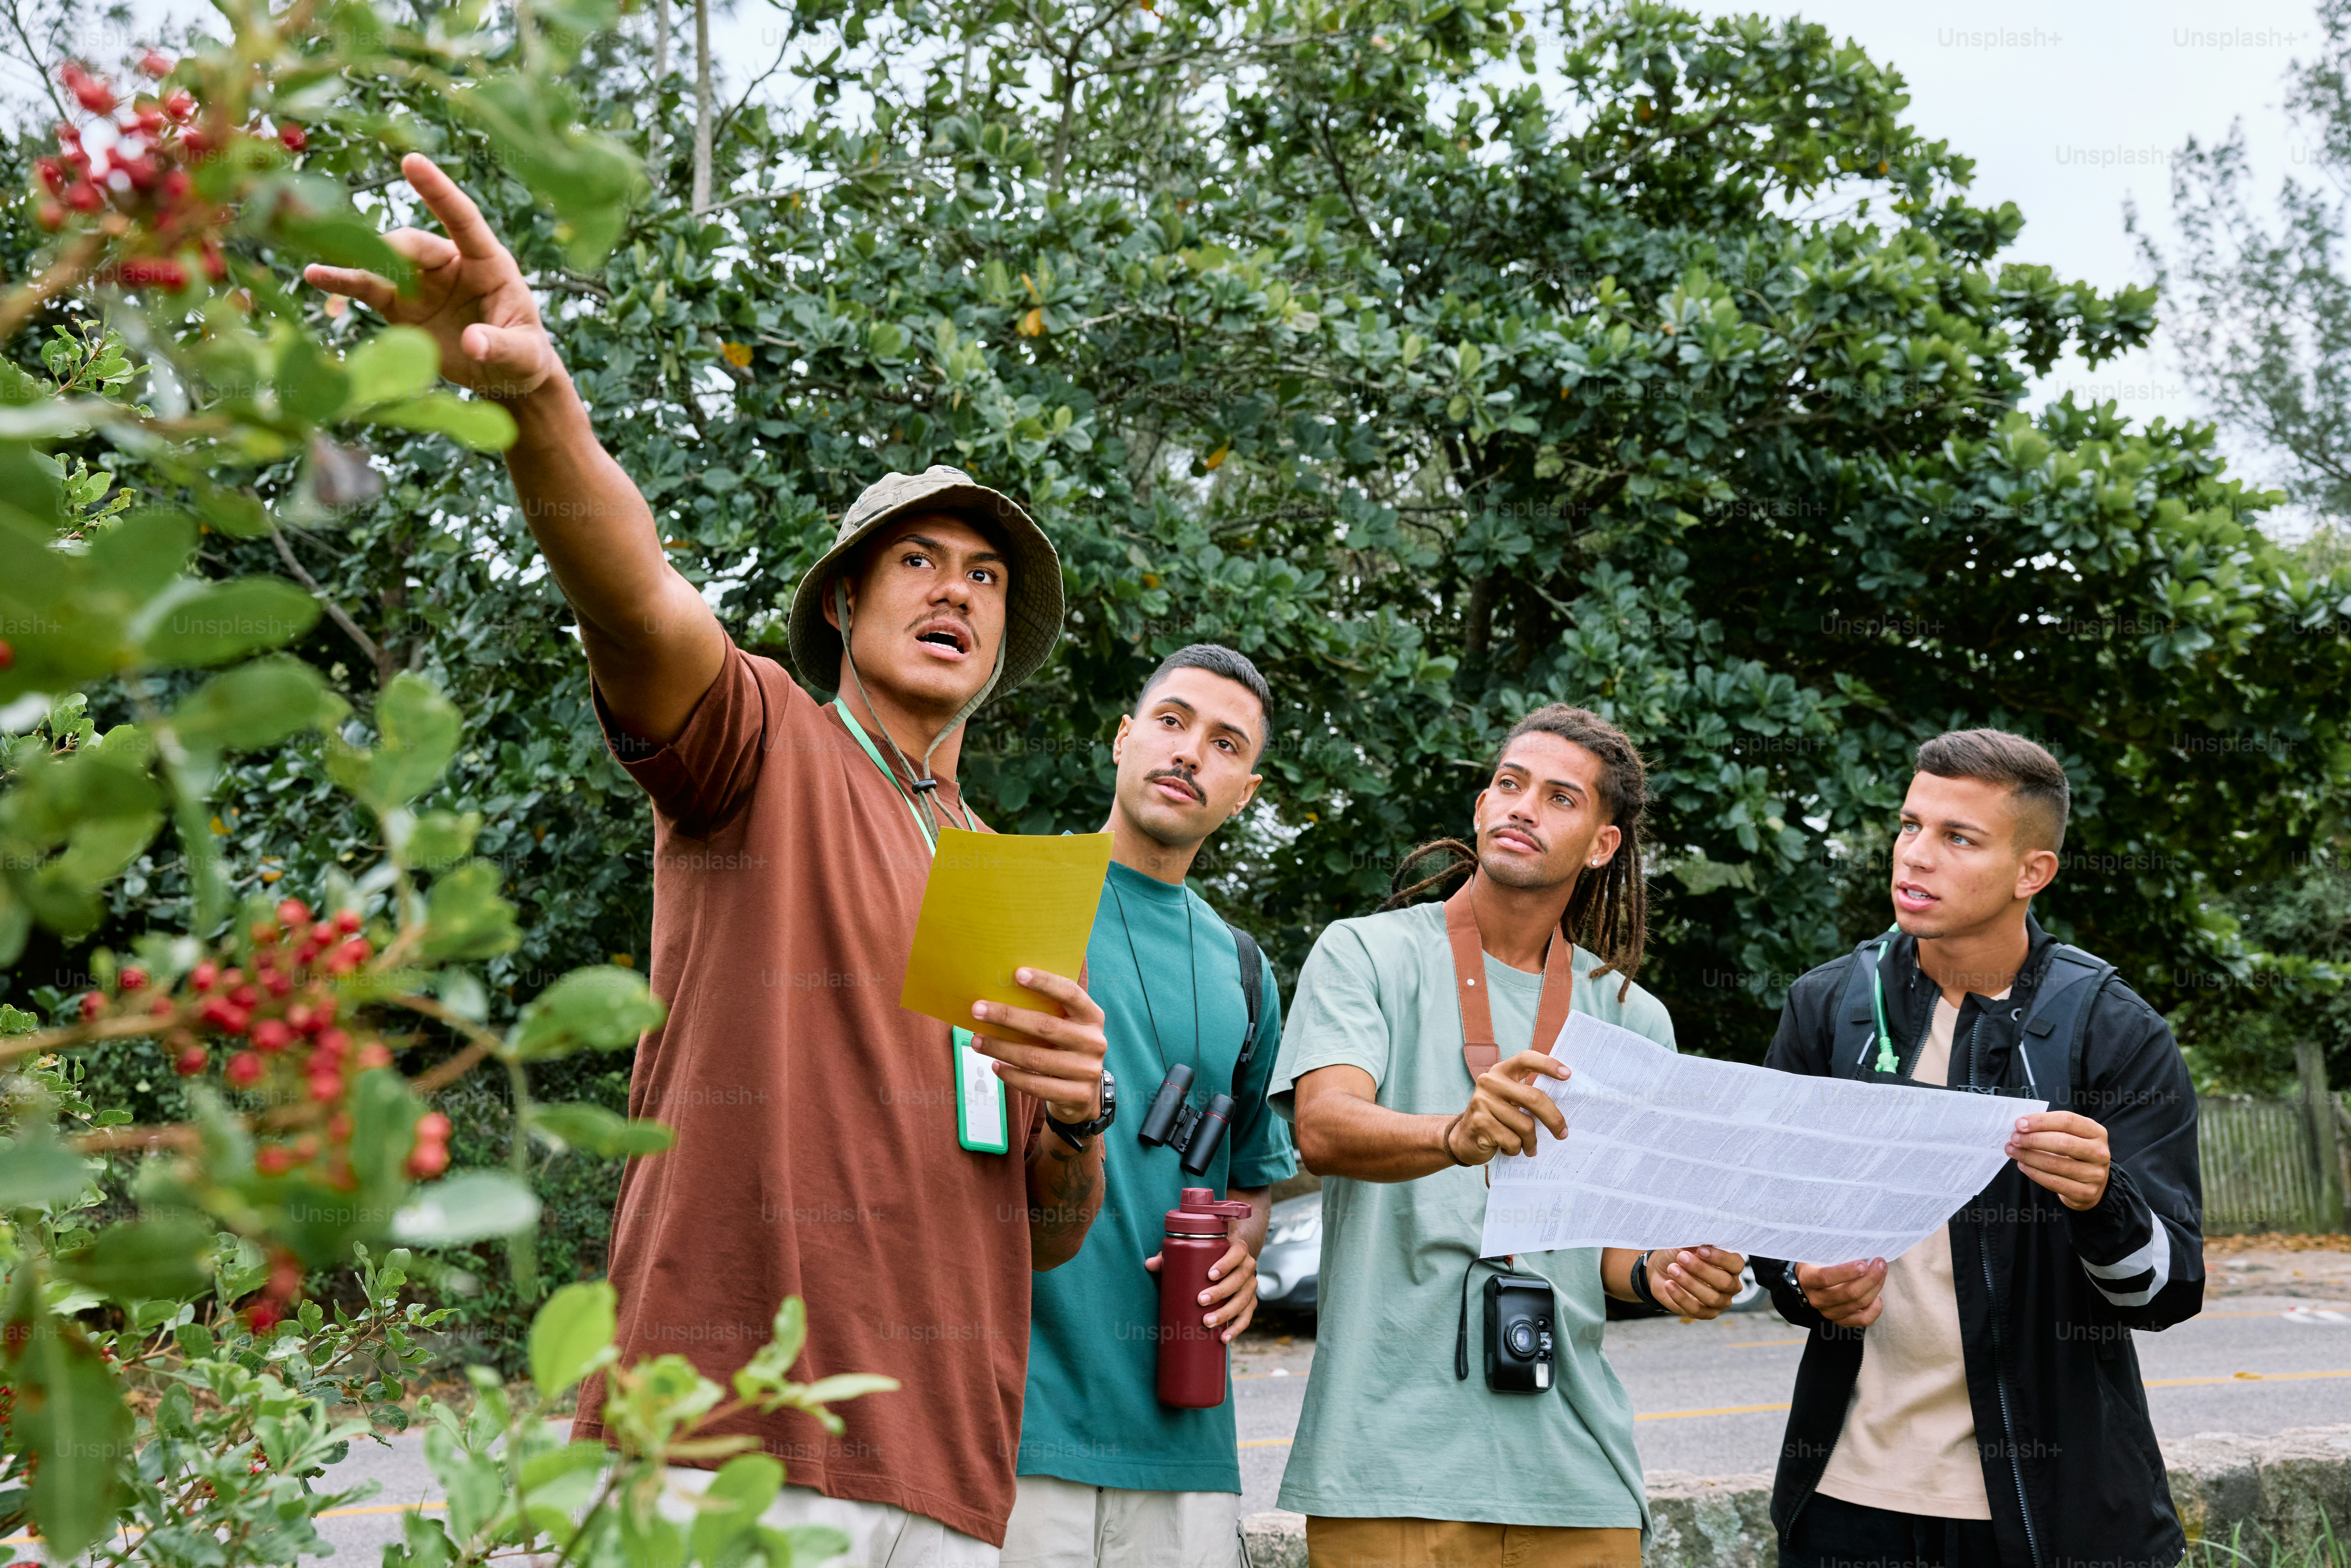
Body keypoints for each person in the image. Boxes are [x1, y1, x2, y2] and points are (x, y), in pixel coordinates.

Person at [307, 154, 1112, 1565]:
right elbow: (633, 598)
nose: (955, 591)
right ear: (846, 600)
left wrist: (1079, 1116)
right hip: (717, 1440)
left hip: (949, 1470)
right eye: (918, 560)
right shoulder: (762, 747)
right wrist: (537, 401)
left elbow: (1036, 1225)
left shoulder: (1002, 871)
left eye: (984, 577)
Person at [1270, 705, 1746, 1568]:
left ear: (1602, 845)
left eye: (1560, 797)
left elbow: (1604, 1245)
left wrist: (1661, 1270)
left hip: (1577, 1478)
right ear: (1482, 809)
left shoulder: (1636, 1020)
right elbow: (1324, 1128)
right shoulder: (1365, 954)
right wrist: (1457, 1134)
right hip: (1389, 1468)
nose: (1523, 806)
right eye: (1509, 784)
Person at [1752, 729, 2203, 1568]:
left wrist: (2101, 1199)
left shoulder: (2115, 1031)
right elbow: (1771, 1236)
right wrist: (1806, 1280)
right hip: (1846, 1504)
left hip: (2058, 1514)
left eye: (1958, 838)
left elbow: (2169, 1290)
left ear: (2032, 873)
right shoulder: (1827, 1009)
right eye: (1911, 826)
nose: (1916, 857)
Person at [1005, 644, 1299, 1568]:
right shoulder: (1014, 897)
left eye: (1224, 743)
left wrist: (1242, 1257)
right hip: (1020, 1423)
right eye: (1172, 723)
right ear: (1125, 738)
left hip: (1183, 1441)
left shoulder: (1247, 971)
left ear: (1245, 792)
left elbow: (1250, 1183)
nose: (1189, 754)